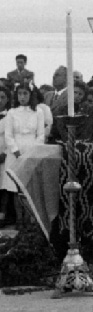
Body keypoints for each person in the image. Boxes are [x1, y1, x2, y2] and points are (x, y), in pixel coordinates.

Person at [4, 82, 45, 229]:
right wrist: (16, 152)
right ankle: (19, 220)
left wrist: (31, 153)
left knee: (29, 187)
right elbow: (8, 136)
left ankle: (30, 219)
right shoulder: (12, 112)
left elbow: (41, 135)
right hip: (15, 153)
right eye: (20, 94)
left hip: (31, 151)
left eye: (25, 93)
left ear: (30, 95)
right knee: (16, 188)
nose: (22, 97)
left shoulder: (38, 112)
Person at [0, 87, 13, 227]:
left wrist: (6, 153)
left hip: (4, 153)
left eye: (2, 97)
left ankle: (3, 216)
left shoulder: (10, 115)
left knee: (4, 187)